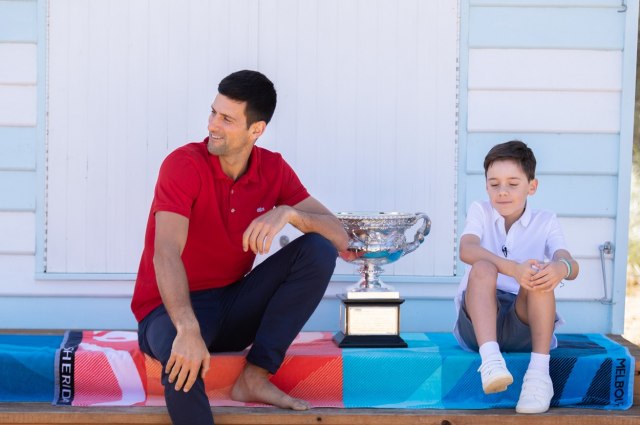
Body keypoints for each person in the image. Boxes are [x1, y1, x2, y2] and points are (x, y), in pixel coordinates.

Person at [131, 70, 349, 425]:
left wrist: (291, 213)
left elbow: (340, 236)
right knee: (181, 359)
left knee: (317, 249)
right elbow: (165, 251)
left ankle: (255, 376)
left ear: (256, 129)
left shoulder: (272, 169)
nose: (212, 125)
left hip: (231, 306)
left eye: (227, 119)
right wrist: (187, 329)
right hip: (167, 312)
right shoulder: (183, 165)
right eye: (213, 112)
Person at [453, 140, 579, 414]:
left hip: (524, 323)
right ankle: (490, 361)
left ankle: (539, 376)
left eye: (512, 183)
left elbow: (569, 262)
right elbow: (466, 249)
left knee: (540, 275)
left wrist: (560, 269)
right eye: (494, 184)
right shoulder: (480, 210)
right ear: (486, 186)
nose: (502, 192)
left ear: (531, 186)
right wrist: (512, 268)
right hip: (477, 324)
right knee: (483, 267)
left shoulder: (546, 220)